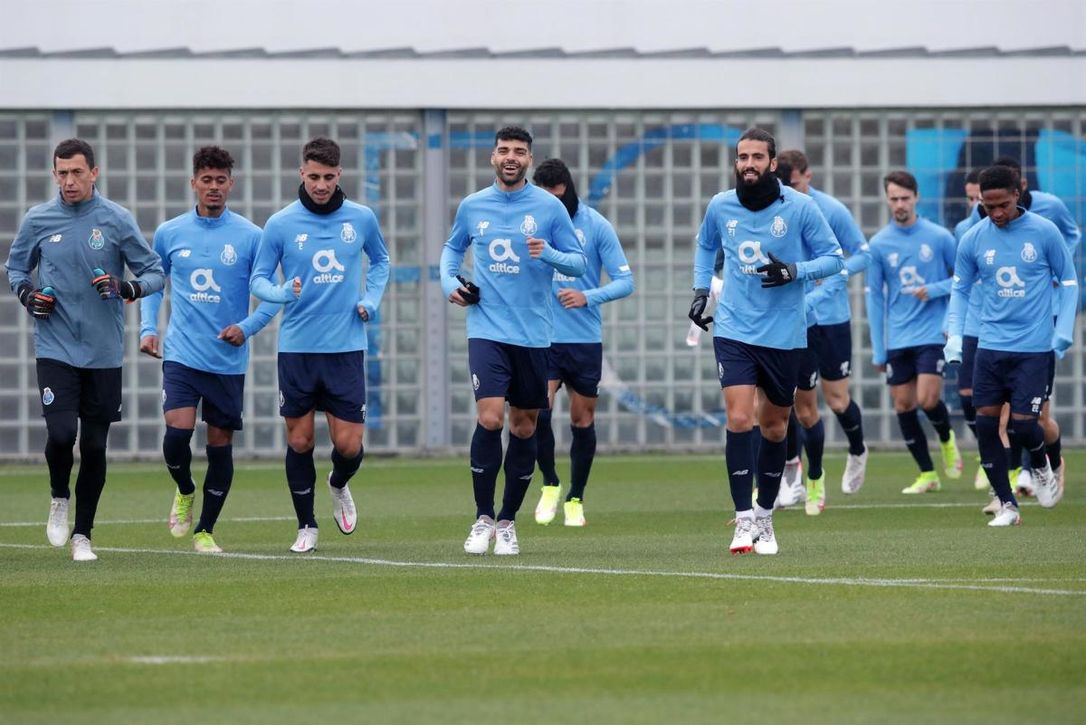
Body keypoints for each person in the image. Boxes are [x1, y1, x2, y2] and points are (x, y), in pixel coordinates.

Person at [4, 138, 165, 562]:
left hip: (103, 351)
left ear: (94, 173)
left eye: (77, 172)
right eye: (62, 173)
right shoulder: (38, 219)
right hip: (54, 346)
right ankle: (59, 496)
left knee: (94, 446)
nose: (70, 181)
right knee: (61, 434)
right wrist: (27, 295)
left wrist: (125, 287)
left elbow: (154, 273)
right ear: (54, 174)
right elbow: (16, 267)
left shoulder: (116, 219)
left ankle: (83, 535)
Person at [691, 127, 843, 556]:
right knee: (740, 418)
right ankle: (742, 521)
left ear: (773, 163)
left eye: (757, 157)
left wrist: (794, 271)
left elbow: (834, 259)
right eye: (743, 157)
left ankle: (764, 518)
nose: (749, 164)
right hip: (734, 329)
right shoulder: (720, 205)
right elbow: (705, 247)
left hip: (784, 334)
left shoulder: (800, 207)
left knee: (775, 426)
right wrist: (701, 290)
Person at [441, 126, 586, 556]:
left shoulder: (549, 208)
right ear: (493, 157)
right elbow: (451, 251)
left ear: (528, 160)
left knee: (524, 426)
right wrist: (451, 284)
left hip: (534, 335)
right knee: (489, 418)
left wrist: (549, 253)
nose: (510, 157)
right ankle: (483, 517)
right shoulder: (473, 206)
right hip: (486, 330)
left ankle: (507, 521)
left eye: (519, 151)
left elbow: (579, 263)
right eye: (504, 150)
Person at [250, 137, 390, 553]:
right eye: (314, 176)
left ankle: (339, 482)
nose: (321, 185)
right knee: (300, 442)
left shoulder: (361, 218)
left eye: (329, 177)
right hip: (297, 349)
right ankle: (306, 525)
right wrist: (280, 293)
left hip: (345, 348)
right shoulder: (280, 224)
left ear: (339, 174)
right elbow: (258, 279)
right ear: (302, 173)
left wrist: (370, 300)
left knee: (348, 446)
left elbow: (381, 261)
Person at [139, 146, 282, 553]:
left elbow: (272, 294)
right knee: (176, 437)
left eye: (221, 180)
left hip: (227, 361)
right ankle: (185, 488)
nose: (213, 187)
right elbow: (154, 284)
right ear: (194, 183)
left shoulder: (251, 237)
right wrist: (149, 328)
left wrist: (247, 328)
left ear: (231, 184)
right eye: (207, 180)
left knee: (219, 445)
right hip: (182, 355)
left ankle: (205, 530)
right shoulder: (170, 232)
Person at [944, 164, 1075, 525]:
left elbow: (1068, 282)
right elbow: (960, 289)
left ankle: (1042, 466)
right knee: (986, 424)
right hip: (990, 346)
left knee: (1025, 425)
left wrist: (1063, 329)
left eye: (1002, 205)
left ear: (1017, 194)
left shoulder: (1044, 231)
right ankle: (1008, 505)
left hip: (1034, 349)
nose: (997, 213)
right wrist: (955, 335)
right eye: (988, 206)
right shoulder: (973, 237)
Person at [528, 158, 634, 528]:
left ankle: (575, 497)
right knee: (537, 410)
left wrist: (588, 296)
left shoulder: (596, 225)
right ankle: (550, 483)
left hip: (584, 339)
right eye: (547, 198)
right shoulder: (530, 224)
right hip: (542, 337)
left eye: (559, 197)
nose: (554, 205)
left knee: (582, 418)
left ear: (569, 190)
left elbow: (626, 281)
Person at [773, 150, 871, 514]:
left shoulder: (830, 210)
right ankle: (798, 479)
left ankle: (858, 449)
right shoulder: (776, 213)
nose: (789, 190)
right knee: (794, 405)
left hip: (830, 318)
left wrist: (830, 272)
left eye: (794, 183)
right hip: (795, 321)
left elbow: (863, 255)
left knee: (837, 400)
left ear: (807, 176)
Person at [866, 171, 962, 495]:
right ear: (887, 200)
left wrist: (935, 290)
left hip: (932, 333)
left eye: (905, 198)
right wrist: (878, 348)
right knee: (904, 405)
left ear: (916, 198)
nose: (900, 204)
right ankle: (927, 473)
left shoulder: (940, 237)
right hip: (898, 335)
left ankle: (946, 438)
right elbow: (875, 298)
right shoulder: (879, 244)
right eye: (894, 199)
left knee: (927, 398)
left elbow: (963, 280)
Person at [951, 169, 989, 492]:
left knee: (998, 402)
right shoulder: (963, 230)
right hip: (970, 326)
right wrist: (950, 326)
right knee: (967, 397)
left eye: (980, 197)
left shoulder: (1011, 227)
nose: (975, 203)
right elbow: (958, 283)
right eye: (970, 197)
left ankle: (1010, 462)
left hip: (1000, 328)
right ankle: (988, 451)